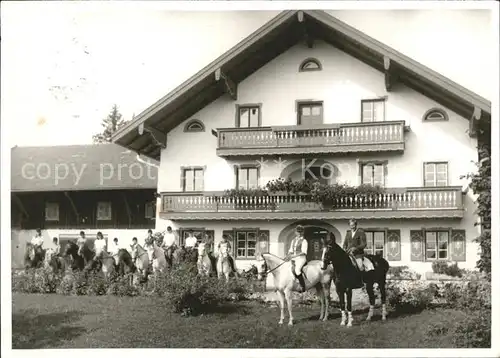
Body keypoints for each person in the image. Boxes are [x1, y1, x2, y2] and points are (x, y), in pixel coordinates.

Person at [287, 225, 308, 293]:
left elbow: (304, 252)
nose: (298, 233)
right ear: (295, 232)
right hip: (294, 258)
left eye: (300, 232)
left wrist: (294, 255)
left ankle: (302, 286)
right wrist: (289, 255)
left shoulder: (304, 241)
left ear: (302, 233)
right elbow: (290, 250)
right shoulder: (293, 240)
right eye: (297, 232)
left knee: (297, 270)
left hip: (301, 258)